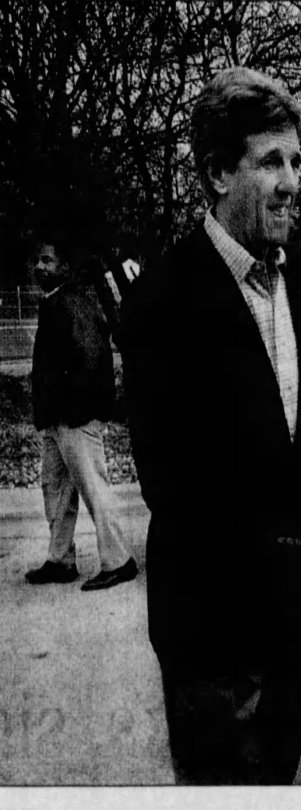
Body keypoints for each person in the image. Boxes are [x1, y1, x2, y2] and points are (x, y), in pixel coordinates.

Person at [121, 67, 301, 785]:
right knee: (225, 804)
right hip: (209, 619)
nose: (293, 181)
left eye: (297, 159)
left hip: (288, 598)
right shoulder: (163, 298)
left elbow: (300, 418)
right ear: (218, 173)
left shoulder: (300, 276)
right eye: (271, 162)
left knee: (279, 776)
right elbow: (172, 478)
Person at [26, 232, 138, 592]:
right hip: (59, 419)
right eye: (38, 261)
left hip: (75, 417)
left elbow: (92, 360)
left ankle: (119, 561)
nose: (40, 267)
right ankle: (60, 561)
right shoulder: (56, 302)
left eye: (48, 261)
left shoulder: (73, 303)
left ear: (65, 267)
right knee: (55, 491)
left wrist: (77, 411)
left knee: (94, 489)